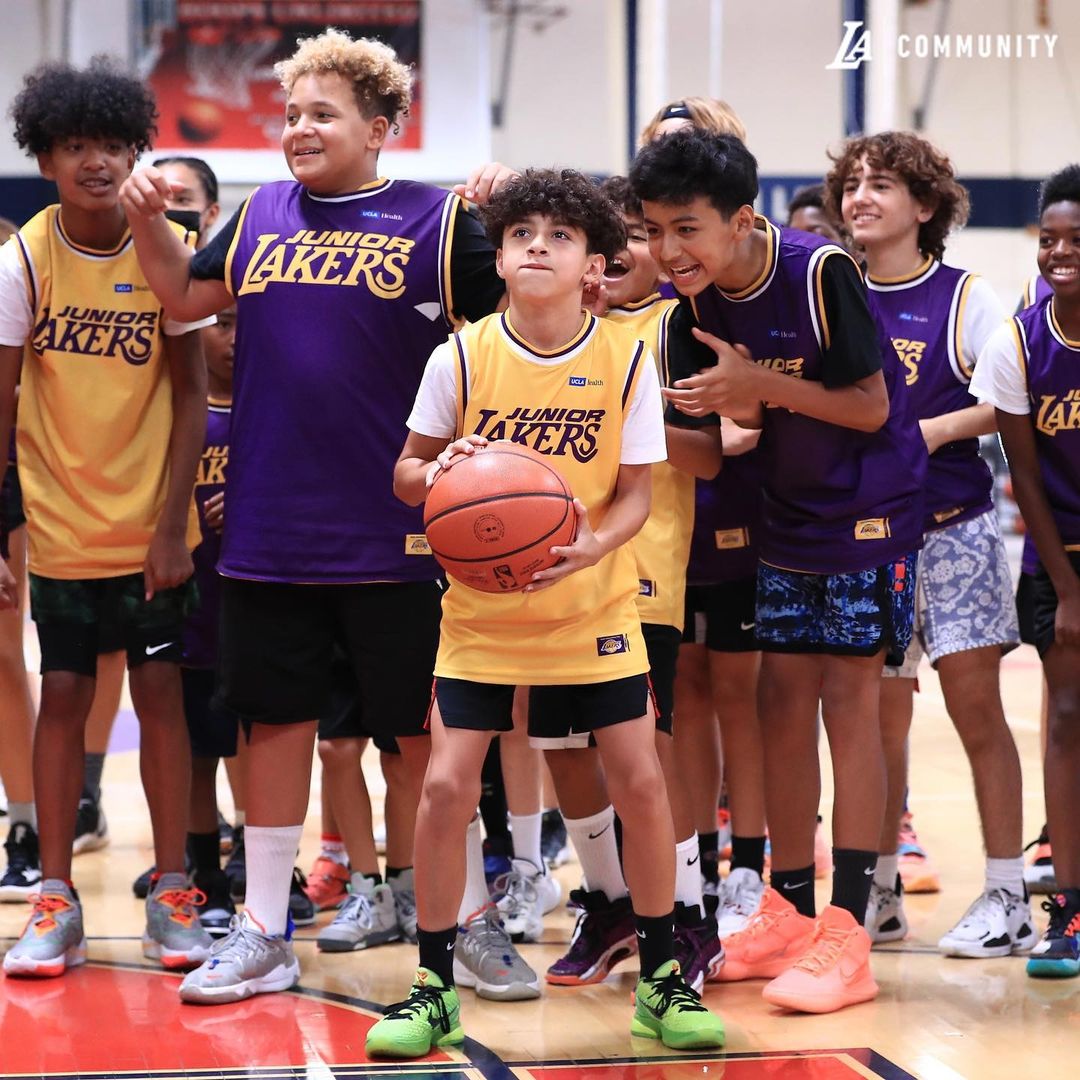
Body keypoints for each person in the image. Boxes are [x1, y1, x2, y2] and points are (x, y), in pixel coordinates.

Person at [119, 28, 508, 1003]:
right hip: (271, 527)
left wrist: (513, 210)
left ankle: (467, 920)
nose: (298, 128)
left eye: (322, 114)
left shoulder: (440, 222)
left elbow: (518, 324)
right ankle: (263, 928)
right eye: (291, 114)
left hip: (398, 530)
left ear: (380, 127)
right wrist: (146, 221)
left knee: (422, 741)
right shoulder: (259, 215)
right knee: (276, 727)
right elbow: (179, 294)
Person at [365, 169, 726, 1058]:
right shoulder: (460, 356)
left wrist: (596, 547)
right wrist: (443, 468)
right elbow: (405, 477)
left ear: (594, 265)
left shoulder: (626, 360)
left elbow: (636, 494)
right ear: (499, 257)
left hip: (592, 610)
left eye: (560, 236)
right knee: (446, 787)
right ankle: (432, 987)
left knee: (641, 782)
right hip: (481, 618)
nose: (537, 246)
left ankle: (661, 977)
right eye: (521, 233)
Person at [632, 128, 927, 1014]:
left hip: (869, 510)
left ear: (740, 219)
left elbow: (869, 405)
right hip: (785, 515)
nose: (668, 250)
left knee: (849, 701)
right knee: (779, 704)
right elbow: (711, 453)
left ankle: (849, 930)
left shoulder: (819, 272)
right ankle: (791, 913)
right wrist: (624, 423)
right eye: (654, 230)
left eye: (686, 228)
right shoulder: (684, 315)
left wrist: (756, 383)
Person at [0, 57, 213, 977]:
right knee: (64, 697)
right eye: (75, 145)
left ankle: (174, 891)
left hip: (152, 525)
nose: (96, 161)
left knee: (163, 697)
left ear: (138, 154)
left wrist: (171, 526)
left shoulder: (168, 245)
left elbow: (194, 393)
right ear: (46, 159)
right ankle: (55, 898)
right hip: (59, 527)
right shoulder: (21, 261)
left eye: (114, 145)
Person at [826, 131, 1032, 959]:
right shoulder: (832, 290)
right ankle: (878, 892)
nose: (860, 197)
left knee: (978, 712)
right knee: (880, 724)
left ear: (924, 205)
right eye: (852, 184)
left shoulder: (966, 295)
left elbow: (1008, 396)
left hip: (955, 530)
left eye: (881, 184)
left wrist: (932, 429)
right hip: (867, 539)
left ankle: (1009, 894)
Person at [535, 174, 723, 992]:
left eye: (636, 238)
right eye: (603, 240)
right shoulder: (543, 330)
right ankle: (612, 904)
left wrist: (633, 418)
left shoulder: (676, 328)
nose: (619, 254)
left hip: (640, 572)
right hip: (549, 573)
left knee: (646, 752)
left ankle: (688, 914)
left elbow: (710, 455)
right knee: (561, 748)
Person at [970, 163, 1080, 979]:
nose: (1059, 251)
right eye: (1049, 238)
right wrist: (1067, 591)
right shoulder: (1019, 340)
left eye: (1077, 239)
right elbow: (1026, 477)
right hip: (1059, 555)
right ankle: (1069, 910)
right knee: (1066, 717)